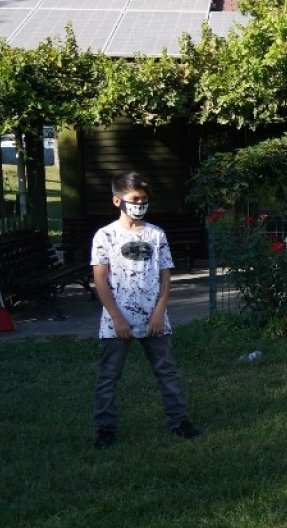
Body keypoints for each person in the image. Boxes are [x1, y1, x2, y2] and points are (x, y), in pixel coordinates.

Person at [90, 172, 201, 449]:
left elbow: (165, 276)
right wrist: (116, 317)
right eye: (134, 199)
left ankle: (179, 421)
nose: (140, 204)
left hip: (154, 320)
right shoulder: (105, 236)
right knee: (109, 376)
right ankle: (105, 429)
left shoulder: (156, 234)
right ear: (117, 200)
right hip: (116, 322)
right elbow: (100, 279)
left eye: (144, 199)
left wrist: (159, 312)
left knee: (167, 371)